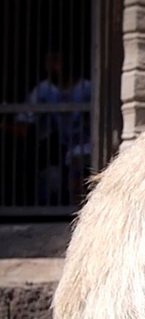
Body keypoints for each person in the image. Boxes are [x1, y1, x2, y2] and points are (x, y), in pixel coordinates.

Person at [16, 51, 91, 205]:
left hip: (86, 144)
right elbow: (25, 120)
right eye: (48, 61)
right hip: (58, 147)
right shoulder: (43, 90)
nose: (51, 65)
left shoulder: (86, 88)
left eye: (56, 60)